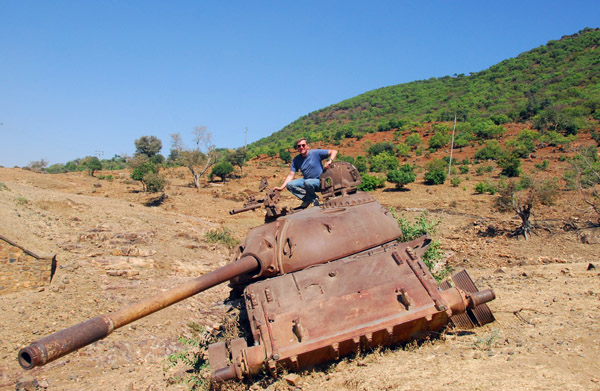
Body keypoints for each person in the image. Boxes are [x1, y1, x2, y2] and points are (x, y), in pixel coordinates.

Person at [274, 138, 337, 208]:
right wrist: (281, 187)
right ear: (297, 148)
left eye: (303, 145)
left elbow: (334, 151)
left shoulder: (316, 153)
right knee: (290, 185)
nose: (301, 147)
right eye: (299, 146)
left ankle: (311, 198)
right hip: (306, 181)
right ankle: (310, 199)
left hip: (319, 181)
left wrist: (330, 161)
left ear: (307, 146)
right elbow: (291, 175)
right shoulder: (296, 160)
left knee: (308, 182)